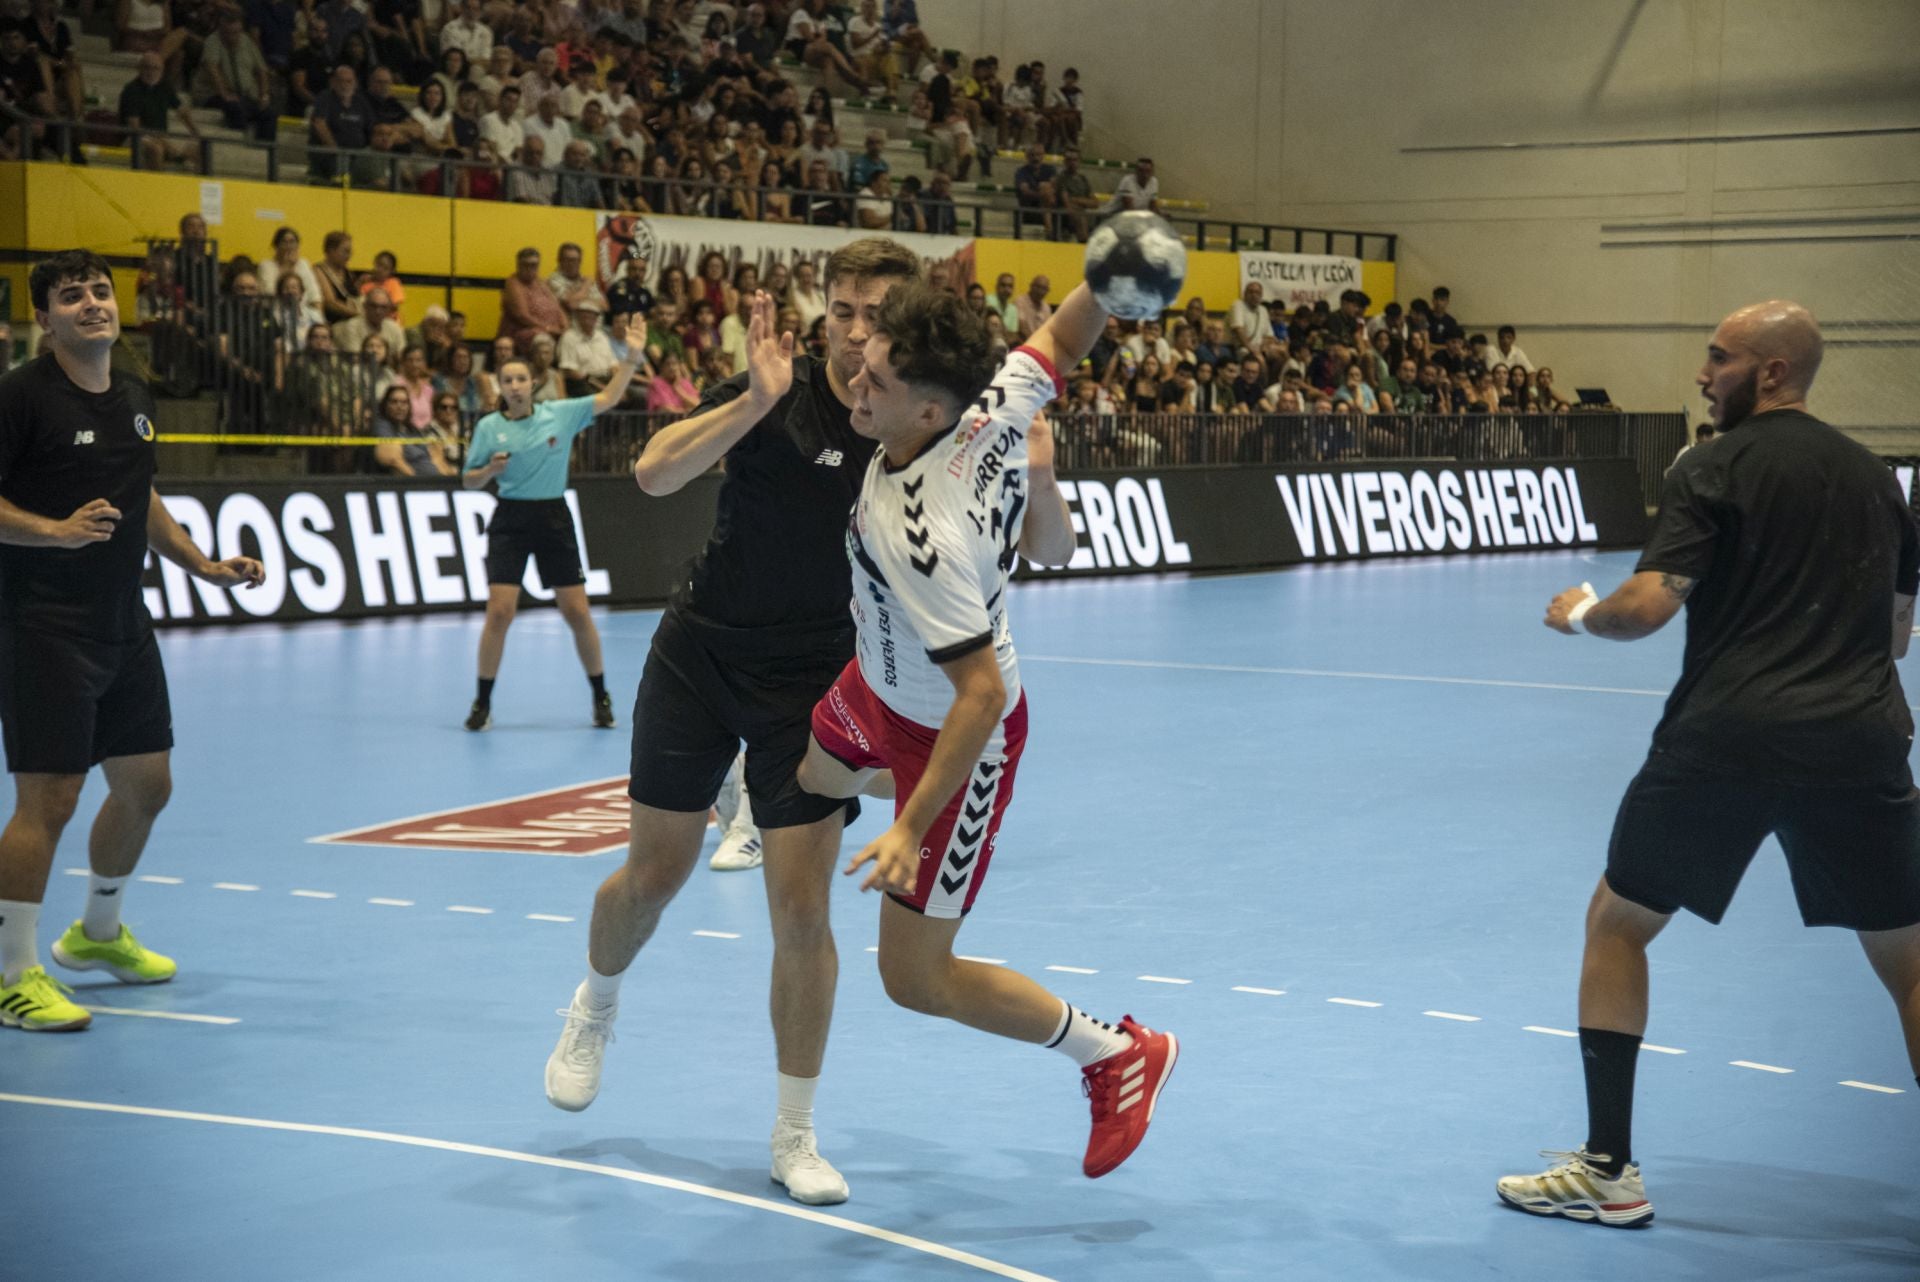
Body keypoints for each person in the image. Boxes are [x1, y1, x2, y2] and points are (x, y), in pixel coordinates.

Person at [1503, 301, 1920, 1227]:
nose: (1703, 374)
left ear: (1770, 372)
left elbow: (1648, 605)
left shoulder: (1711, 466)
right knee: (1910, 961)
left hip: (1723, 742)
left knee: (1616, 924)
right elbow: (1895, 639)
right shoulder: (1880, 482)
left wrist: (1578, 612)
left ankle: (1608, 1173)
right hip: (1857, 740)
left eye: (1717, 358)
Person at [543, 239, 922, 1208]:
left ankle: (795, 1132)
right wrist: (753, 399)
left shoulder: (917, 422)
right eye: (842, 309)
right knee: (653, 876)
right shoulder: (773, 388)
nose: (855, 329)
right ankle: (595, 1002)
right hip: (701, 655)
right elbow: (654, 475)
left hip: (812, 683)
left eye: (875, 313)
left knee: (803, 911)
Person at [792, 276, 1180, 1179]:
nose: (856, 382)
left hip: (957, 736)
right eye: (863, 368)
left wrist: (911, 827)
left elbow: (980, 699)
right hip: (879, 682)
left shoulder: (914, 528)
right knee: (808, 775)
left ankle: (1115, 1054)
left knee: (914, 981)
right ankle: (850, 795)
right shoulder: (991, 398)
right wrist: (1110, 276)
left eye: (877, 382)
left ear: (929, 408)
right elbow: (1062, 338)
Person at [0, 251, 265, 1032]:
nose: (91, 304)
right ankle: (14, 972)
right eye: (70, 296)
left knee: (148, 786)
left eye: (100, 291)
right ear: (44, 318)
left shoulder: (135, 395)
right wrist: (55, 532)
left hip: (124, 619)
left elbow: (139, 492)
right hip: (41, 622)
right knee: (48, 800)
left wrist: (201, 564)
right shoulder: (20, 397)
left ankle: (98, 934)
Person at [459, 349, 639, 732]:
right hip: (510, 517)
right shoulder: (489, 427)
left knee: (576, 611)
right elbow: (468, 479)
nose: (515, 386)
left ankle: (600, 697)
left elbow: (609, 399)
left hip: (553, 517)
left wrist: (632, 360)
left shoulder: (559, 414)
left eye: (521, 379)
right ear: (500, 387)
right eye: (507, 381)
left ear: (532, 384)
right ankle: (483, 702)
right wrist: (490, 469)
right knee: (500, 612)